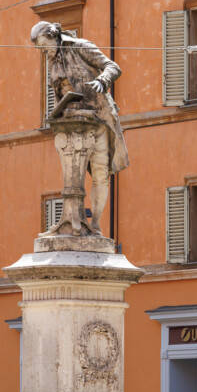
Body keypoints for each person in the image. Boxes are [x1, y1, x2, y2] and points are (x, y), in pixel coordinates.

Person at [31, 21, 129, 235]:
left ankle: (95, 224)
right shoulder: (52, 60)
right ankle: (70, 221)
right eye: (39, 49)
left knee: (101, 172)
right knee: (73, 177)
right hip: (71, 120)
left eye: (43, 45)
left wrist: (103, 80)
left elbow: (113, 66)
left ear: (52, 36)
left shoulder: (80, 46)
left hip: (98, 116)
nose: (43, 51)